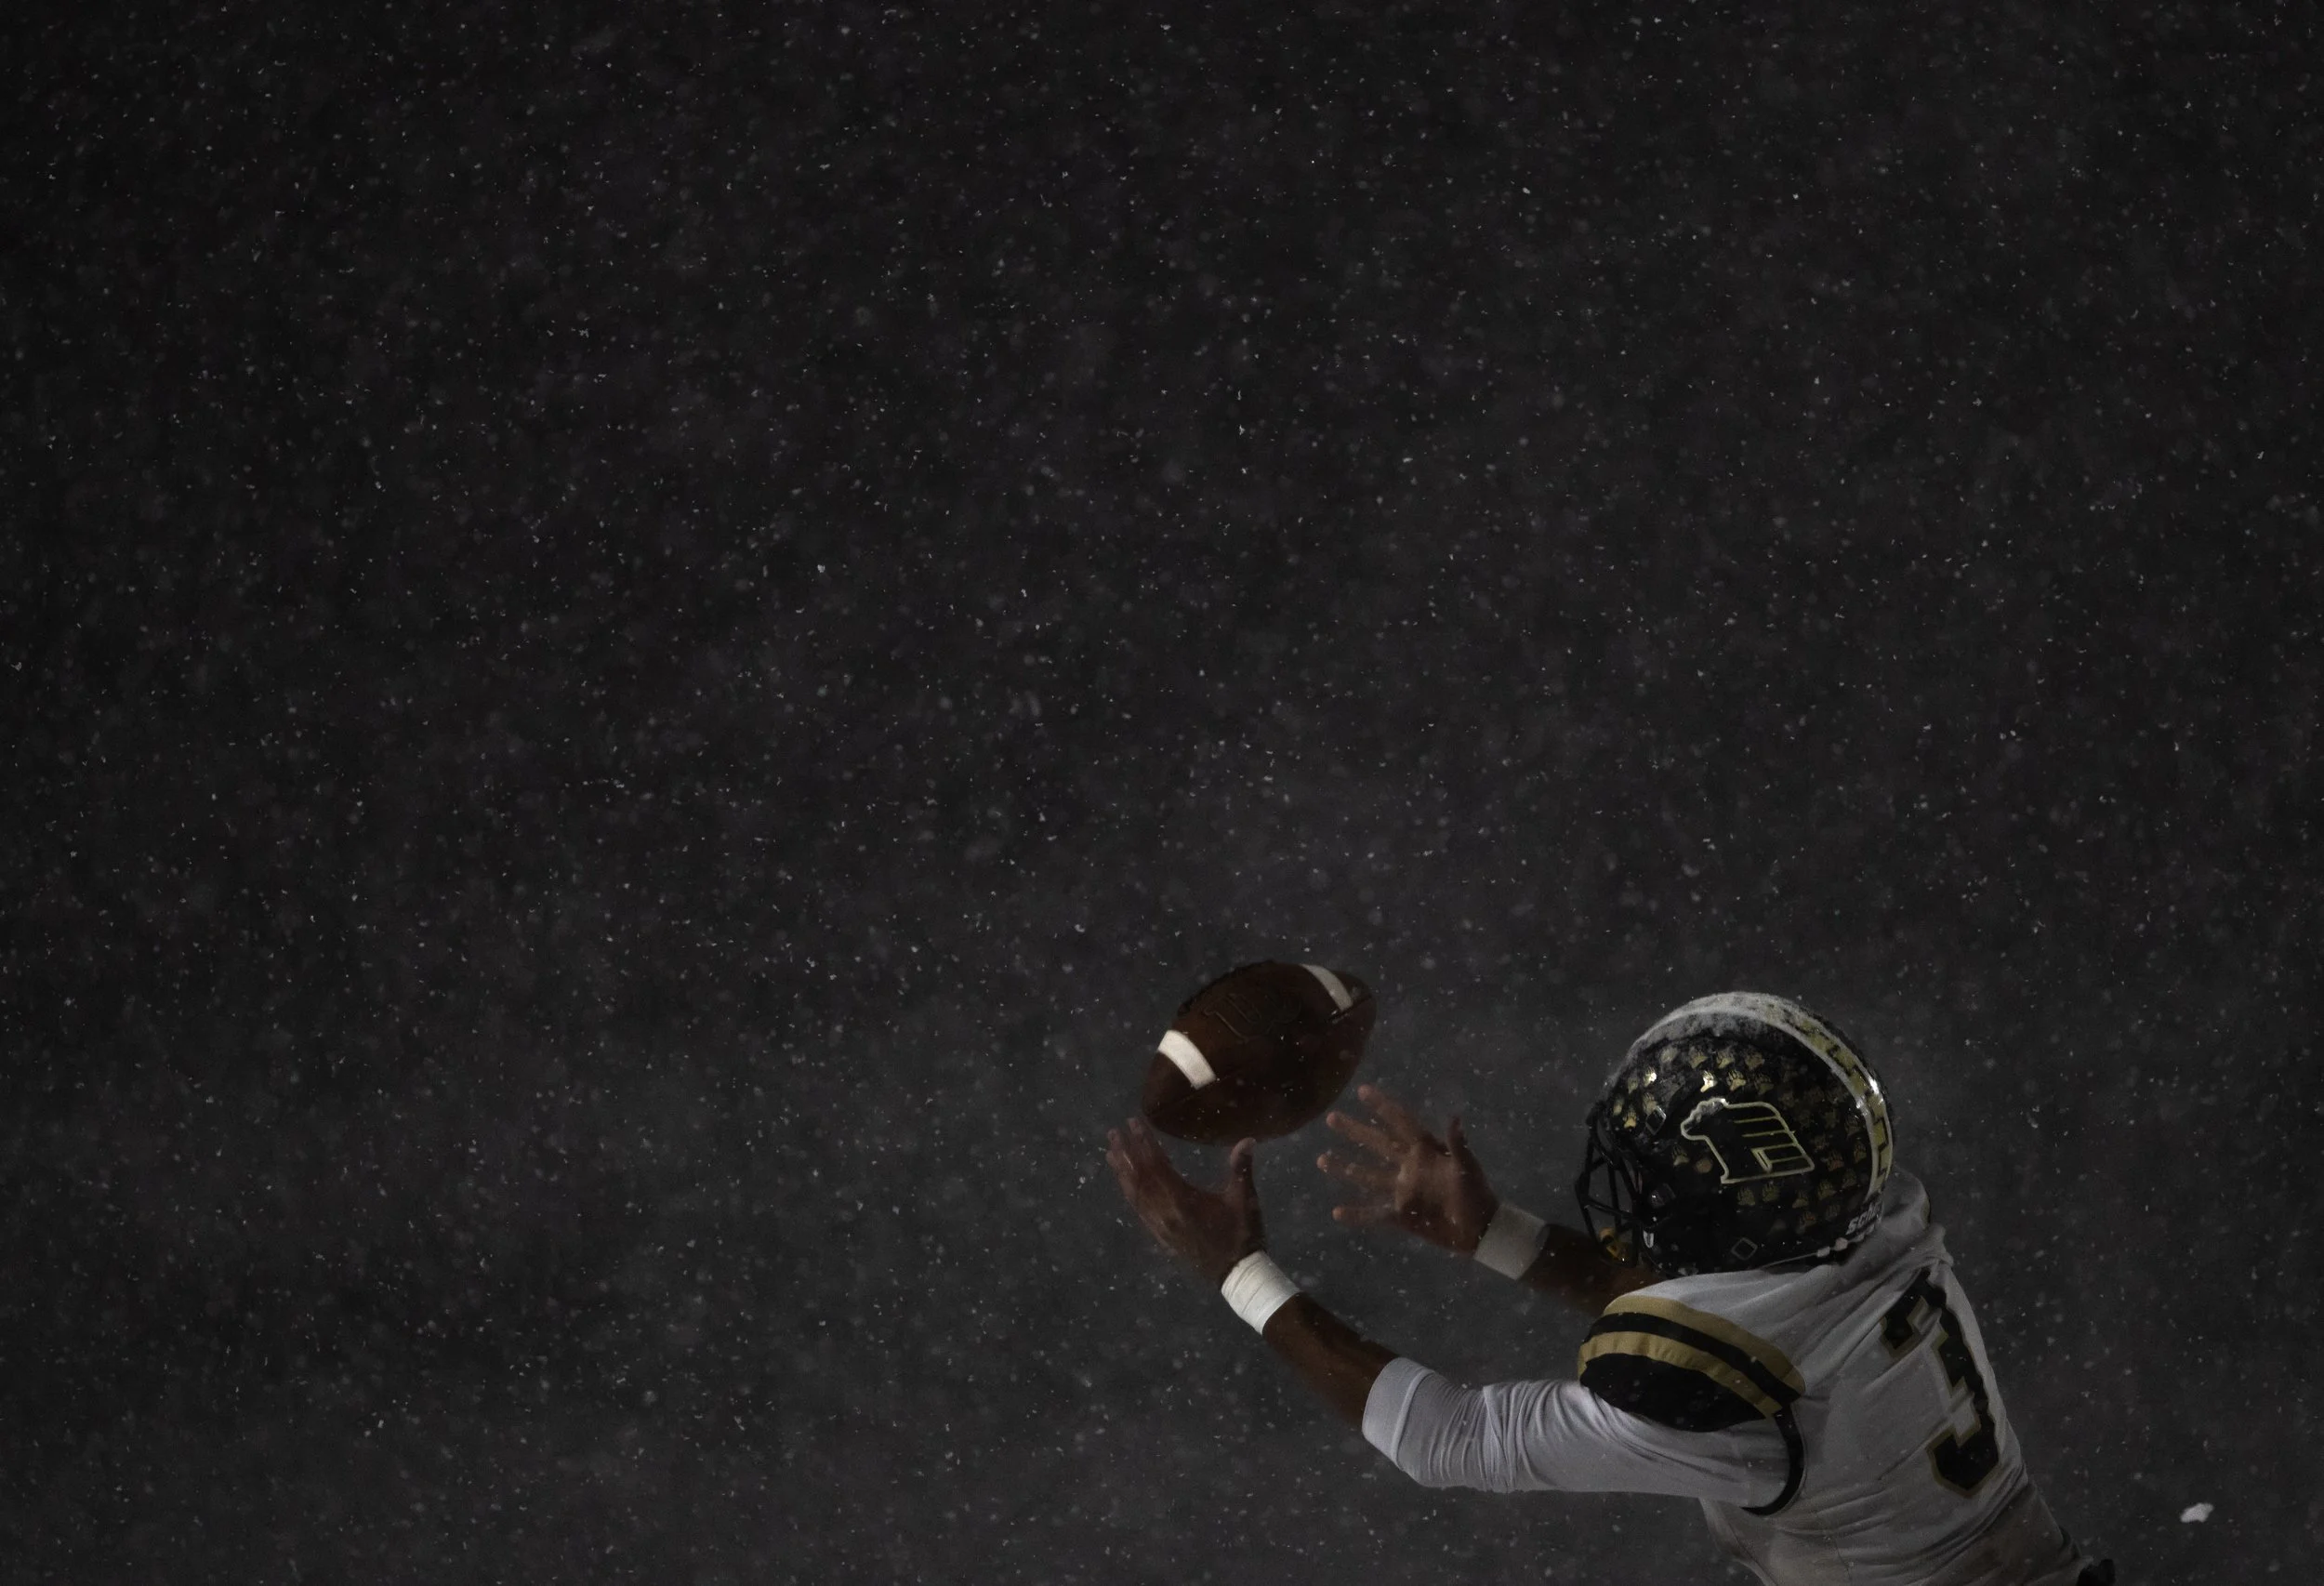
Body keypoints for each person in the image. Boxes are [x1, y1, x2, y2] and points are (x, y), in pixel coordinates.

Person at [1105, 990, 2111, 1586]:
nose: (1643, 1194)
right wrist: (1495, 1234)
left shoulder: (1745, 1390)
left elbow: (1451, 1438)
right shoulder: (1871, 1223)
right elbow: (1732, 1312)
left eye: (1665, 1173)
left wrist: (1239, 1270)